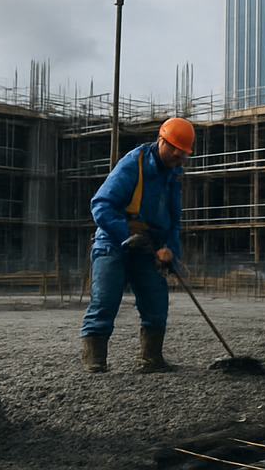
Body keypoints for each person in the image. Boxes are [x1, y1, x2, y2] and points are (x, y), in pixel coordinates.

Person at [80, 117, 193, 373]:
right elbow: (101, 205)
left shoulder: (174, 174)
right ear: (160, 140)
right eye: (174, 148)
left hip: (149, 245)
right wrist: (125, 235)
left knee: (156, 299)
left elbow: (174, 221)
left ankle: (152, 359)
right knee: (105, 300)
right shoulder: (134, 163)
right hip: (113, 240)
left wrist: (170, 250)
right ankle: (95, 359)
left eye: (183, 152)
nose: (178, 155)